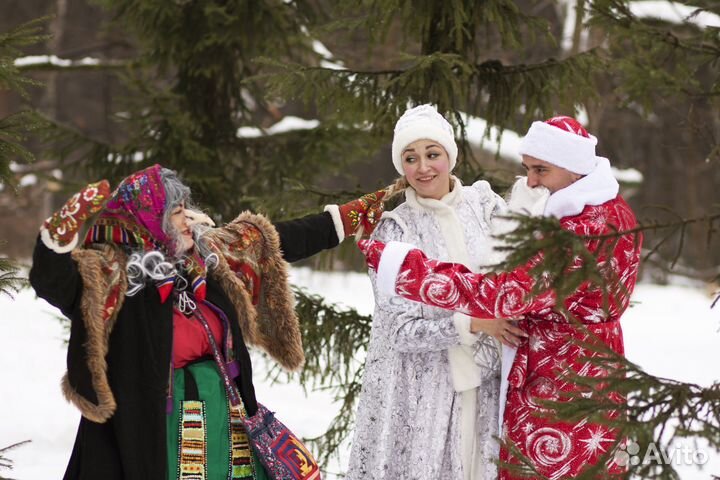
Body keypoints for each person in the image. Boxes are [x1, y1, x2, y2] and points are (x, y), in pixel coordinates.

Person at [29, 163, 386, 480]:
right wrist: (57, 238)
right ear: (148, 220)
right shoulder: (113, 277)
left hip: (223, 422)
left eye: (186, 209)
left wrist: (347, 218)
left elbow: (280, 239)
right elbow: (55, 281)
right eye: (176, 212)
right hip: (155, 433)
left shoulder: (207, 258)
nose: (188, 220)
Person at [358, 116, 643, 478]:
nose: (531, 181)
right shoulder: (607, 209)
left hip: (560, 378)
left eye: (541, 170)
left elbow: (504, 293)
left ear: (574, 170)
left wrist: (407, 268)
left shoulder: (569, 231)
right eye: (410, 158)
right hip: (579, 371)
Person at [347, 105, 527, 480]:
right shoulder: (395, 231)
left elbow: (521, 268)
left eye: (433, 154)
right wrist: (473, 324)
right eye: (411, 158)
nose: (423, 167)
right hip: (428, 391)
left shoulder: (486, 208)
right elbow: (398, 331)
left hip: (490, 385)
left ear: (450, 156)